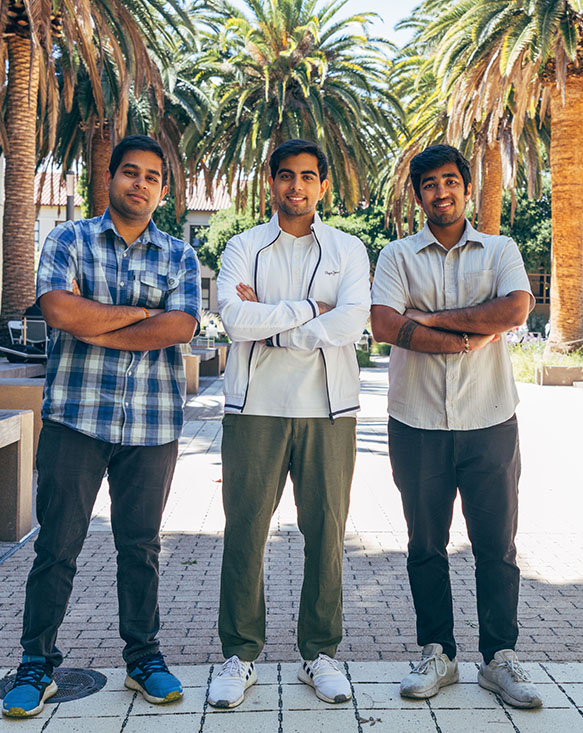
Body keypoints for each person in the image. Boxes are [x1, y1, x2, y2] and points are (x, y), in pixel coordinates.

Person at [1, 134, 202, 718]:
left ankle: (143, 659)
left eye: (151, 177)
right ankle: (36, 666)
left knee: (139, 548)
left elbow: (182, 326)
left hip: (153, 423)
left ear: (162, 191)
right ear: (109, 178)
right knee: (57, 547)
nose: (139, 184)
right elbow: (57, 309)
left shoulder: (179, 255)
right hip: (75, 420)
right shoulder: (68, 237)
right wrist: (144, 313)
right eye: (130, 173)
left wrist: (99, 322)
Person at [370, 144, 542, 709]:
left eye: (450, 182)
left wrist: (428, 321)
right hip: (415, 421)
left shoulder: (500, 250)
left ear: (466, 188)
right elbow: (384, 325)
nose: (441, 193)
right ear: (417, 196)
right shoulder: (397, 255)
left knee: (497, 545)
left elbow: (514, 310)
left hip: (490, 418)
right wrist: (468, 332)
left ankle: (499, 659)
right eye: (429, 185)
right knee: (425, 545)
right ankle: (437, 653)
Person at [205, 139, 371, 709]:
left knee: (326, 535)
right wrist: (309, 311)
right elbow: (233, 318)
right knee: (245, 532)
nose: (295, 186)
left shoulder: (349, 250)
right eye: (285, 176)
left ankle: (320, 654)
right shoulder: (242, 246)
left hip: (328, 409)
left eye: (307, 176)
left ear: (323, 185)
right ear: (270, 183)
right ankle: (239, 655)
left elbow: (350, 324)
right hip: (254, 408)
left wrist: (270, 323)